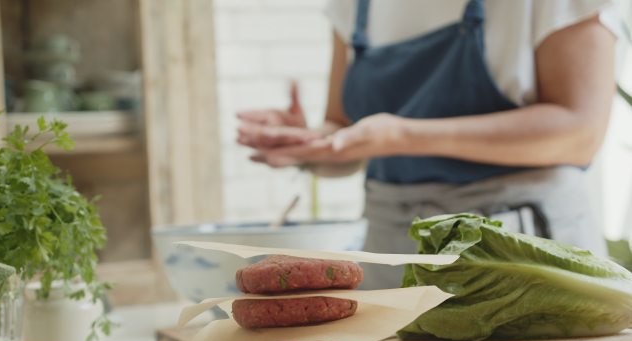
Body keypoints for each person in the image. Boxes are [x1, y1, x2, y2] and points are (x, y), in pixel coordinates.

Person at [236, 0, 620, 289]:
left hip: (521, 252)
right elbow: (346, 131)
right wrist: (310, 143)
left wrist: (404, 136)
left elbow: (579, 134)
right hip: (390, 252)